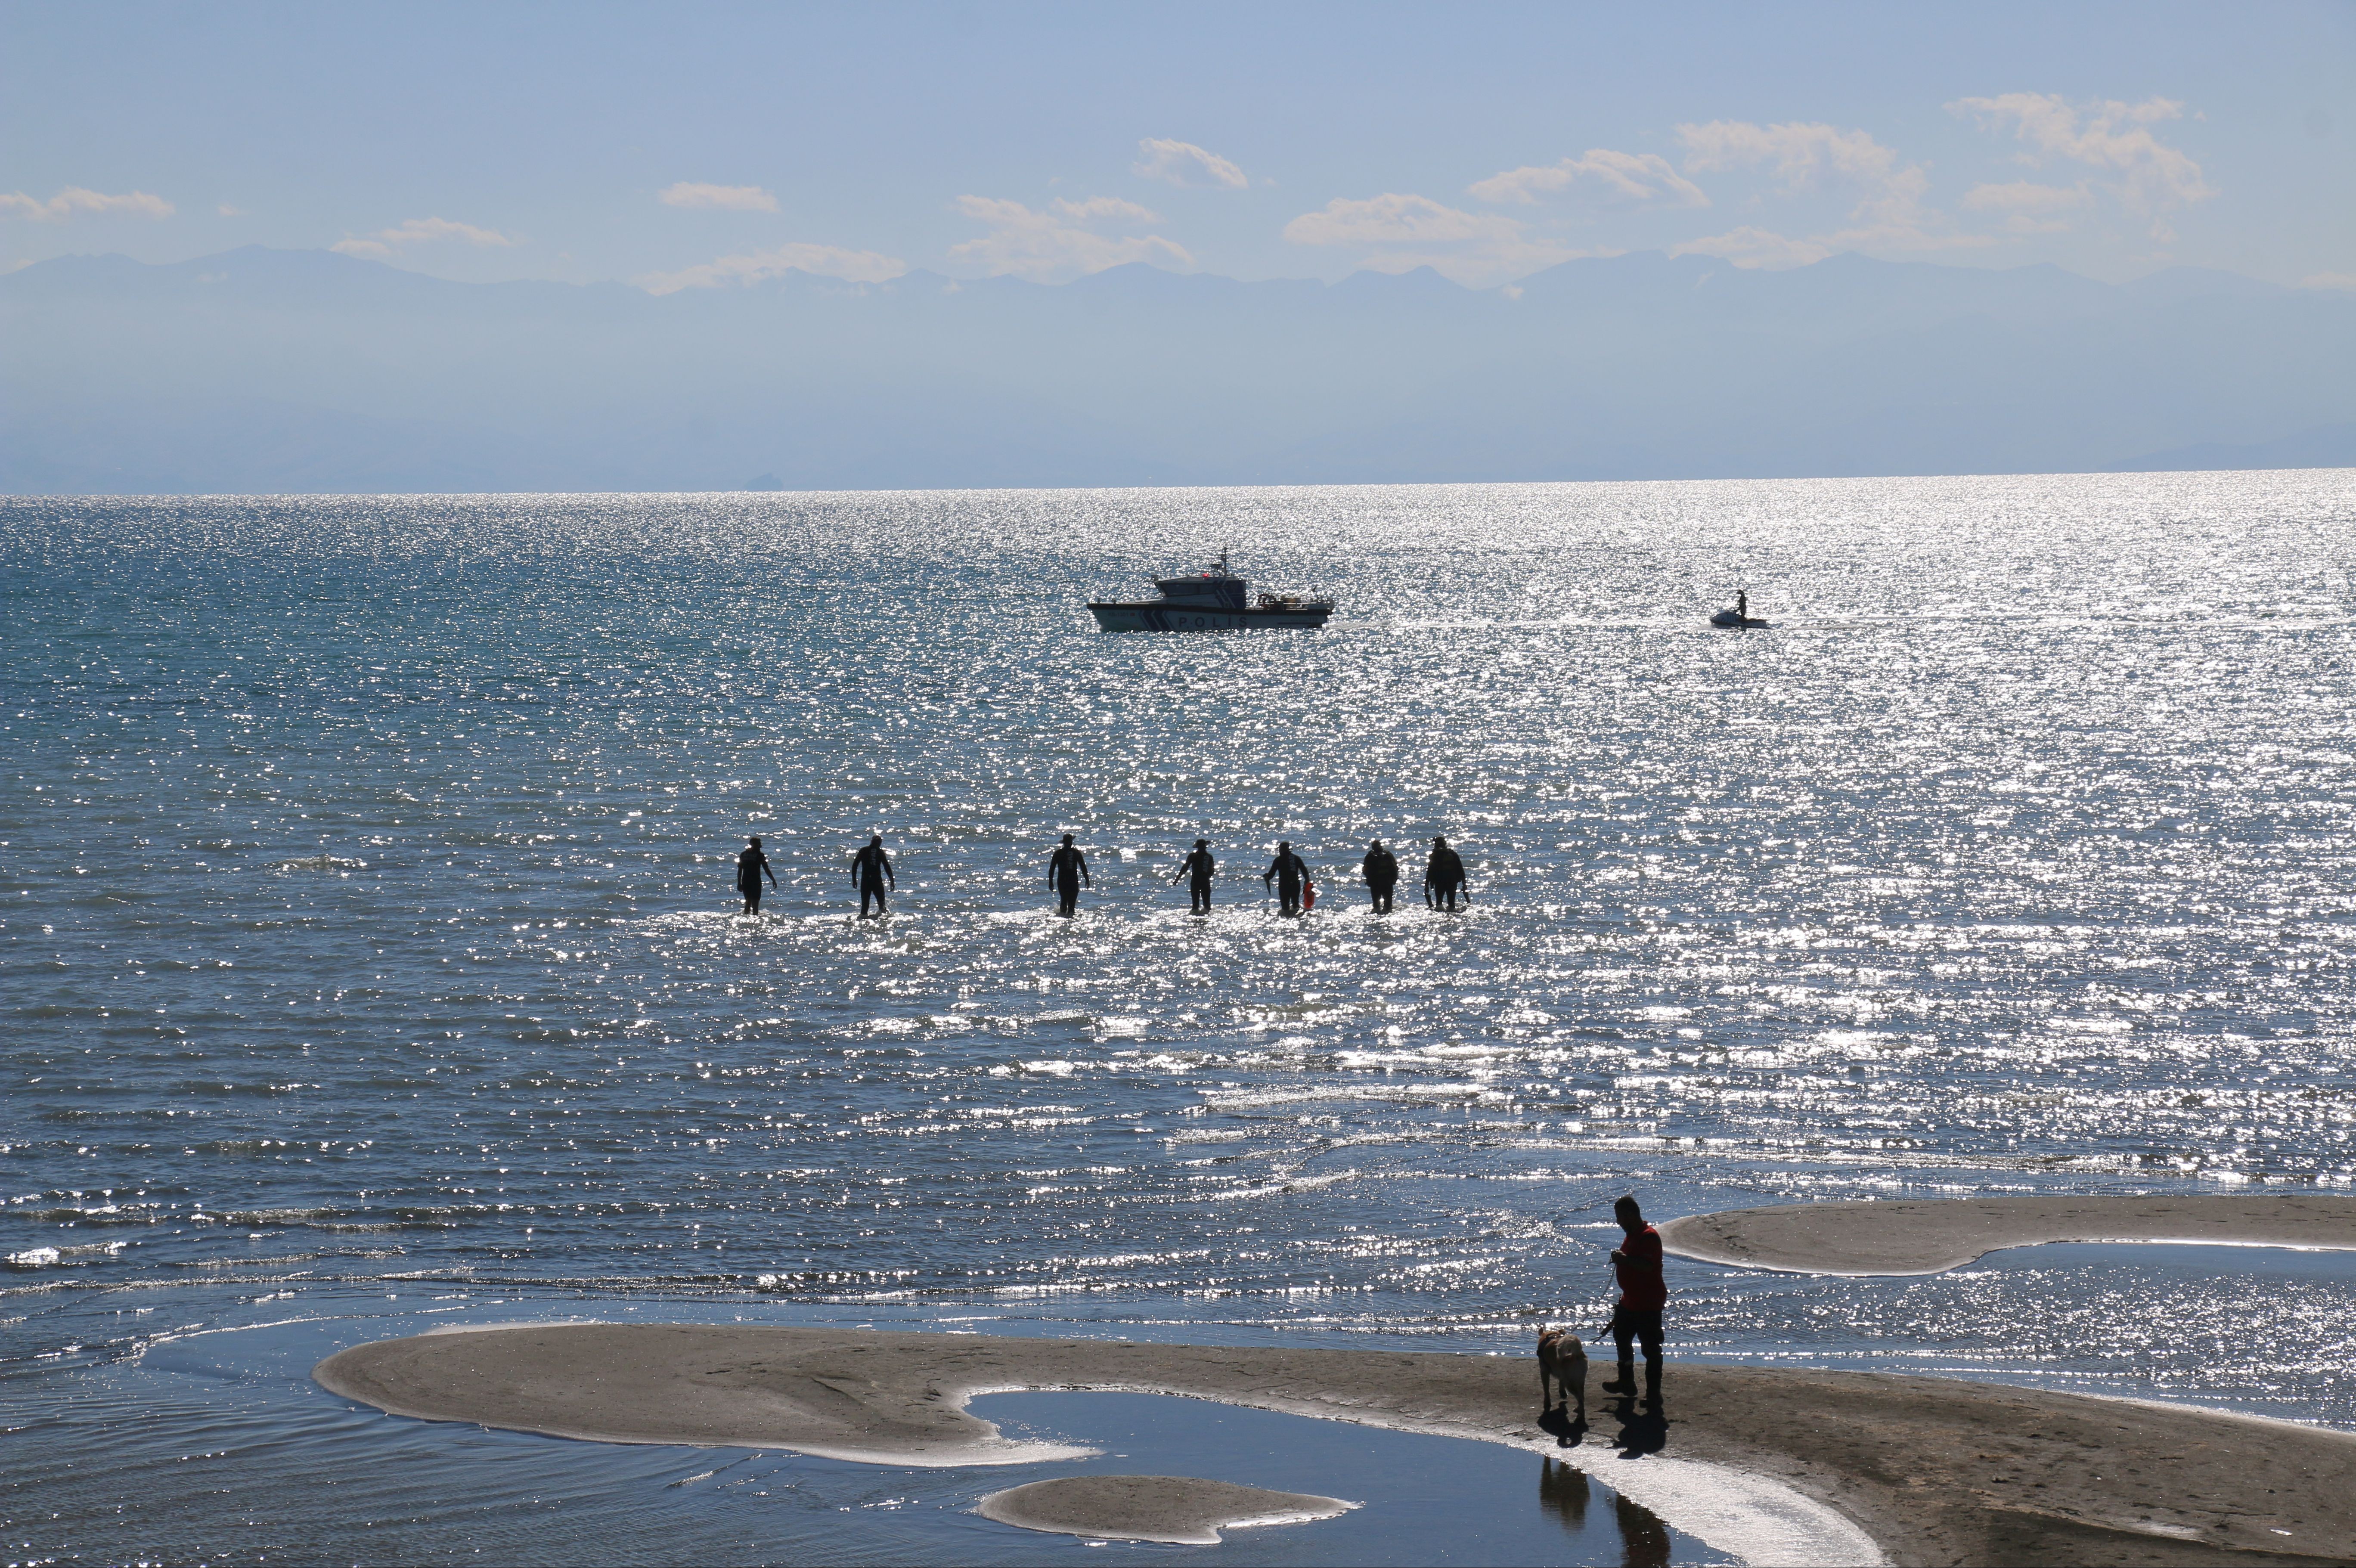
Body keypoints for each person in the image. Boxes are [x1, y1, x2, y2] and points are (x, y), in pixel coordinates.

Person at [1605, 1194, 1666, 1407]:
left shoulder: (1649, 1236)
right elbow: (1631, 1260)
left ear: (1630, 1215)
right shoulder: (1632, 1235)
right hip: (1629, 1300)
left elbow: (1647, 1266)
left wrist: (1624, 1259)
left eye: (1620, 1217)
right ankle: (1626, 1382)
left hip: (1648, 1302)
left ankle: (1654, 1394)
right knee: (1621, 1338)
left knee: (1651, 1348)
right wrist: (1622, 1256)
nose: (1618, 1222)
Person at [849, 834, 893, 918]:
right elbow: (886, 866)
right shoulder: (880, 852)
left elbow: (855, 866)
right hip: (877, 881)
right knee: (882, 906)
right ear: (879, 844)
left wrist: (854, 880)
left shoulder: (863, 851)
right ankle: (882, 922)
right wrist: (892, 880)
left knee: (864, 909)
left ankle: (863, 923)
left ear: (871, 842)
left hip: (866, 881)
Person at [1048, 833, 1091, 917]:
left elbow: (1052, 869)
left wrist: (1051, 882)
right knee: (1072, 905)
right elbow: (1083, 867)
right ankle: (1070, 922)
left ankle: (1063, 920)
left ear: (1064, 843)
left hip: (1062, 880)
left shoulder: (1058, 853)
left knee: (1064, 901)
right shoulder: (1076, 853)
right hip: (1073, 880)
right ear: (1071, 842)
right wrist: (1087, 879)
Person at [1262, 840, 1309, 916]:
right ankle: (1298, 919)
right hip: (1295, 884)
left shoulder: (1278, 860)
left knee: (1285, 909)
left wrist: (1267, 877)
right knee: (1296, 905)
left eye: (1280, 850)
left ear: (1283, 850)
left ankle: (1288, 919)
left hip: (1284, 886)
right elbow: (1305, 871)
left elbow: (1271, 875)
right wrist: (1307, 882)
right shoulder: (1296, 858)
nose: (1280, 851)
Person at [1424, 834, 1468, 911]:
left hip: (1439, 882)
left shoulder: (1434, 856)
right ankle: (1451, 917)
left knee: (1439, 905)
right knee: (1452, 905)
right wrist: (1464, 884)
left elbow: (1430, 872)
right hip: (1452, 881)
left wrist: (1427, 885)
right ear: (1445, 844)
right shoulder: (1453, 854)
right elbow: (1461, 870)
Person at [737, 836, 778, 915]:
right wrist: (773, 880)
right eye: (759, 844)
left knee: (748, 901)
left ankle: (746, 918)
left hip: (745, 881)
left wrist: (739, 883)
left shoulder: (744, 854)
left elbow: (740, 870)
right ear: (754, 845)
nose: (761, 846)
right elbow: (766, 869)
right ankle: (755, 920)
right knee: (755, 903)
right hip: (756, 881)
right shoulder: (760, 856)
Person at [1175, 838, 1216, 914]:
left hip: (1195, 881)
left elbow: (1185, 868)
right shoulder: (1209, 857)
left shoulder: (1192, 856)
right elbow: (1212, 870)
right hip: (1205, 881)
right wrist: (1207, 877)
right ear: (1205, 846)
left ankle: (1195, 922)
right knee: (1207, 907)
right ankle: (1206, 922)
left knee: (1195, 907)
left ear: (1198, 847)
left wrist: (1177, 879)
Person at [1361, 839, 1399, 913]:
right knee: (1388, 907)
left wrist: (1368, 880)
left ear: (1373, 847)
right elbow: (1395, 869)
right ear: (1381, 846)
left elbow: (1365, 871)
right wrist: (1394, 880)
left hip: (1375, 884)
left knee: (1376, 907)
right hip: (1388, 883)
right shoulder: (1388, 855)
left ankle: (1377, 922)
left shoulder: (1369, 857)